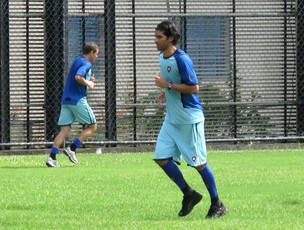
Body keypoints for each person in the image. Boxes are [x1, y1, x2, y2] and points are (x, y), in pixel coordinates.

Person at [153, 20, 227, 218]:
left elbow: (194, 88)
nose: (155, 40)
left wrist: (167, 86)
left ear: (170, 38)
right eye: (155, 36)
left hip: (188, 119)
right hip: (172, 119)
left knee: (198, 163)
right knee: (161, 158)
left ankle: (217, 203)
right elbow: (176, 83)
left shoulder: (182, 59)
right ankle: (189, 193)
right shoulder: (162, 56)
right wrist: (166, 93)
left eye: (159, 37)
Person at [46, 42, 99, 167]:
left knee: (64, 130)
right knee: (93, 126)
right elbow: (78, 77)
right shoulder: (86, 63)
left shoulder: (78, 60)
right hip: (77, 100)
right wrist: (89, 84)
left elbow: (79, 75)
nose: (97, 56)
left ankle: (52, 158)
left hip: (66, 99)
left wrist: (88, 79)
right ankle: (72, 148)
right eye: (96, 54)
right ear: (91, 52)